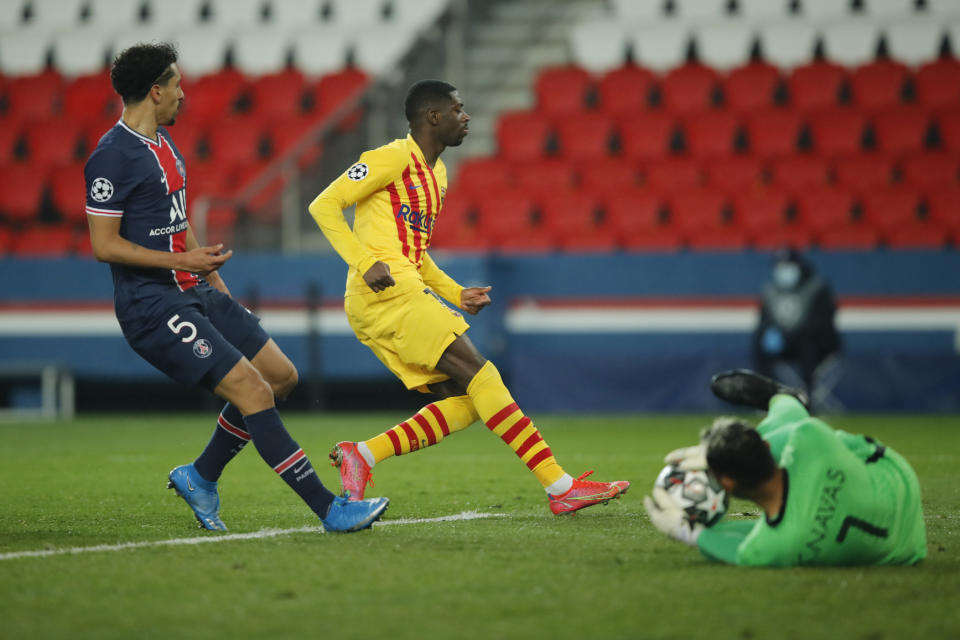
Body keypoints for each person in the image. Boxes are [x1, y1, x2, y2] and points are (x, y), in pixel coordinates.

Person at [83, 42, 388, 533]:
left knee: (281, 376)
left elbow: (179, 222)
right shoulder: (110, 156)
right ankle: (330, 509)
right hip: (151, 304)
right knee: (252, 390)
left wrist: (212, 279)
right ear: (155, 91)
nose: (184, 94)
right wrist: (182, 260)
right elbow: (104, 245)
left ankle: (201, 476)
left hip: (193, 290)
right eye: (177, 84)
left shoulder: (165, 145)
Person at [307, 79, 629, 515]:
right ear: (433, 116)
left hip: (400, 292)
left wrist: (456, 292)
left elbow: (415, 256)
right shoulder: (389, 158)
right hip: (384, 296)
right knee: (483, 375)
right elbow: (323, 206)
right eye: (458, 109)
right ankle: (560, 486)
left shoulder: (436, 176)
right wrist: (365, 263)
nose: (467, 117)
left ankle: (362, 455)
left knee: (470, 398)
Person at [644, 369, 927, 566]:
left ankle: (780, 397)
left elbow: (740, 552)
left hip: (903, 548)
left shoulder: (777, 545)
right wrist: (719, 451)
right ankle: (781, 395)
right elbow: (785, 431)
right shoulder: (811, 439)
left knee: (787, 429)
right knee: (790, 415)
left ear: (727, 483)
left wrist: (688, 533)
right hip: (898, 480)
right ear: (765, 448)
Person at [752, 248, 841, 398]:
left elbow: (823, 322)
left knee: (807, 344)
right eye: (780, 266)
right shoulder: (771, 291)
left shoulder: (816, 288)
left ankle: (808, 395)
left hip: (818, 345)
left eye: (788, 266)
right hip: (785, 344)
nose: (783, 270)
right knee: (759, 344)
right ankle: (764, 395)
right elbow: (764, 321)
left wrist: (792, 334)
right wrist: (768, 333)